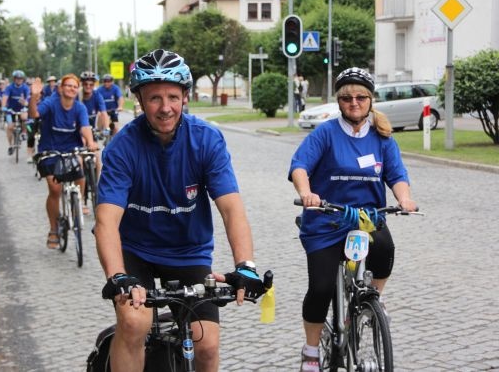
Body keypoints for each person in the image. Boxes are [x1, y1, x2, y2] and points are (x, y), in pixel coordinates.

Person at [94, 49, 266, 372]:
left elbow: (231, 209)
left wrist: (245, 265)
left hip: (188, 252)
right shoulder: (122, 148)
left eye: (173, 96)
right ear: (140, 100)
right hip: (136, 252)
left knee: (207, 345)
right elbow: (106, 221)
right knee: (133, 323)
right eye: (154, 98)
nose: (165, 107)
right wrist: (118, 276)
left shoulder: (206, 140)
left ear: (185, 96)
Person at [287, 67, 418, 372]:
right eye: (347, 97)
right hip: (327, 220)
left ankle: (373, 299)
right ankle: (310, 350)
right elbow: (300, 166)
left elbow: (396, 174)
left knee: (384, 249)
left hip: (366, 219)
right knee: (320, 288)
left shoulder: (382, 137)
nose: (354, 103)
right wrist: (307, 193)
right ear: (339, 100)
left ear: (371, 100)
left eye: (361, 97)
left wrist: (404, 199)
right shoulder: (325, 133)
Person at [28, 74, 97, 248]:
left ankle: (79, 201)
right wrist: (34, 96)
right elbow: (34, 113)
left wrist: (90, 142)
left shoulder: (79, 107)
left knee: (80, 168)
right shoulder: (51, 103)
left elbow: (85, 127)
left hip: (70, 149)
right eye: (68, 86)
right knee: (55, 188)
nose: (72, 89)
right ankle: (53, 229)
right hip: (50, 151)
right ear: (61, 88)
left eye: (75, 86)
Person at [1, 70, 30, 156]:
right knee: (9, 127)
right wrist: (3, 107)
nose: (19, 80)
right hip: (11, 110)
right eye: (17, 79)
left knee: (24, 117)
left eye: (20, 79)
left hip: (22, 109)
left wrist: (26, 103)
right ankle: (10, 146)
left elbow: (28, 97)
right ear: (14, 79)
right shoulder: (9, 87)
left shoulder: (25, 88)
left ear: (23, 79)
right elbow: (5, 97)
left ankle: (24, 132)